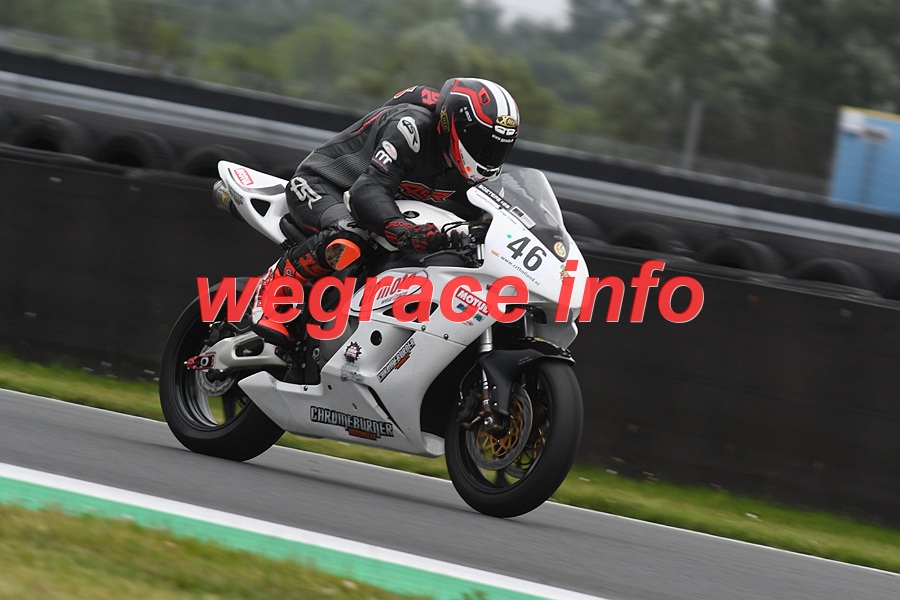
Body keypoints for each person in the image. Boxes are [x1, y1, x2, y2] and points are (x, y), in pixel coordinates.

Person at [252, 77, 520, 348]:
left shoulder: (473, 174)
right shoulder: (411, 127)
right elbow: (367, 191)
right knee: (348, 237)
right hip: (323, 184)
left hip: (383, 201)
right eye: (482, 142)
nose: (489, 154)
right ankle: (274, 287)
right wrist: (401, 229)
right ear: (455, 124)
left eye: (499, 147)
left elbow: (489, 217)